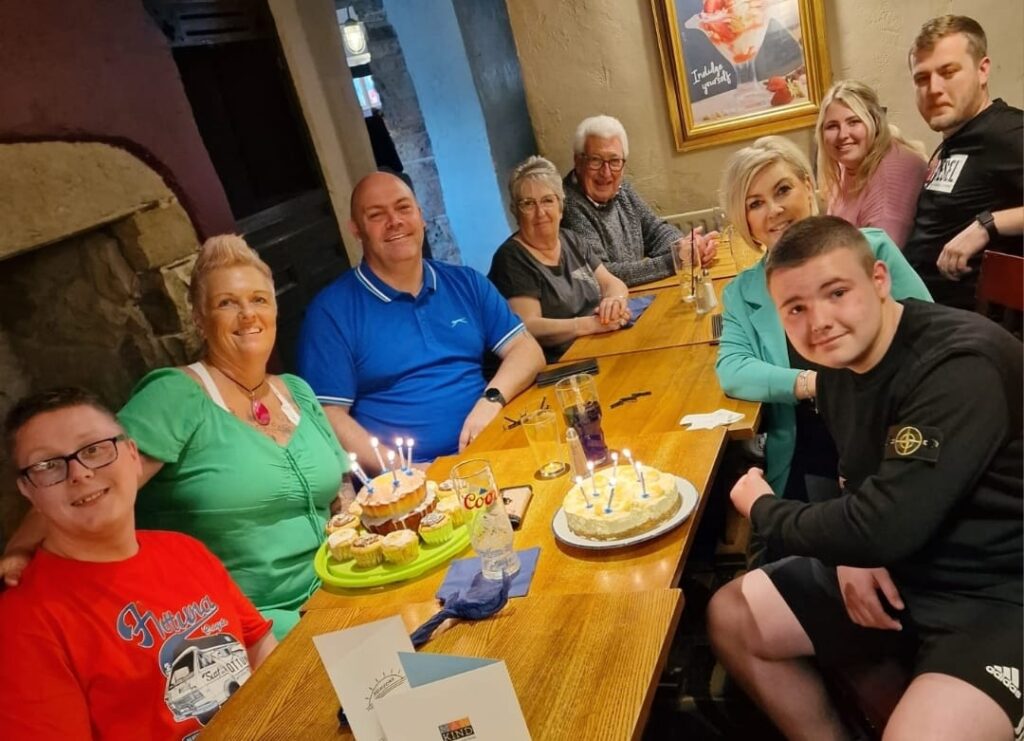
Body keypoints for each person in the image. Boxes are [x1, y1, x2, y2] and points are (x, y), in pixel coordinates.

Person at [708, 216, 1022, 740]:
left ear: (879, 281)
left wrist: (764, 509)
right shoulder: (837, 367)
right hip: (903, 568)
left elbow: (883, 526)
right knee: (732, 614)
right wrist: (854, 554)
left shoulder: (957, 364)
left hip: (997, 591)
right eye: (796, 309)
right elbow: (856, 475)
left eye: (836, 292)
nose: (819, 322)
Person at [2, 235, 350, 639]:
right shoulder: (175, 395)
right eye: (226, 303)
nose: (247, 314)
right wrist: (21, 550)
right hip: (248, 621)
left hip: (336, 587)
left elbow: (339, 492)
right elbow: (89, 476)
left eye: (259, 299)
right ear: (200, 319)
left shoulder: (296, 391)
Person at [0, 388, 277, 737]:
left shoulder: (185, 550)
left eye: (94, 449)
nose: (79, 473)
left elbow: (259, 646)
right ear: (29, 491)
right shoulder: (23, 625)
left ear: (132, 454)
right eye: (48, 465)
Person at [715, 135, 931, 505]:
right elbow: (732, 368)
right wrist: (812, 383)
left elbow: (928, 332)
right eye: (755, 204)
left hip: (893, 432)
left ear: (809, 184)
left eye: (783, 190)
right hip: (809, 449)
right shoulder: (742, 291)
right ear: (745, 222)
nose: (774, 210)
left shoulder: (870, 248)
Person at [298, 172, 545, 470]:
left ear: (421, 216)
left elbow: (526, 350)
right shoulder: (331, 312)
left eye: (403, 208)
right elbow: (329, 415)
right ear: (356, 229)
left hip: (496, 448)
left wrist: (491, 400)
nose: (395, 221)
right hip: (413, 481)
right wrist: (403, 470)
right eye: (376, 214)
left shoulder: (464, 282)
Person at [903, 14, 1024, 309]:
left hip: (974, 334)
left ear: (983, 71)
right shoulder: (956, 140)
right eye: (922, 78)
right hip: (928, 315)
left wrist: (987, 225)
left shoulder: (1004, 131)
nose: (933, 89)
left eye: (948, 72)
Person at [488, 155, 631, 362]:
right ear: (515, 212)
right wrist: (589, 325)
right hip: (557, 366)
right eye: (528, 204)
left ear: (560, 206)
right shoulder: (511, 258)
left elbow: (612, 282)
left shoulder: (572, 239)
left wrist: (614, 303)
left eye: (547, 200)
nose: (540, 212)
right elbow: (528, 325)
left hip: (596, 347)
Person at [561, 114, 717, 287]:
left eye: (614, 161)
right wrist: (675, 260)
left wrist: (689, 247)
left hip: (634, 298)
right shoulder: (567, 206)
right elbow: (603, 274)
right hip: (605, 308)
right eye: (596, 161)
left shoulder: (622, 190)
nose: (606, 173)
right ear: (577, 161)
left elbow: (656, 231)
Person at [815, 79, 928, 248]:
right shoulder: (848, 163)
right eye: (832, 126)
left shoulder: (891, 176)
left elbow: (882, 257)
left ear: (875, 122)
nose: (843, 134)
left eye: (854, 122)